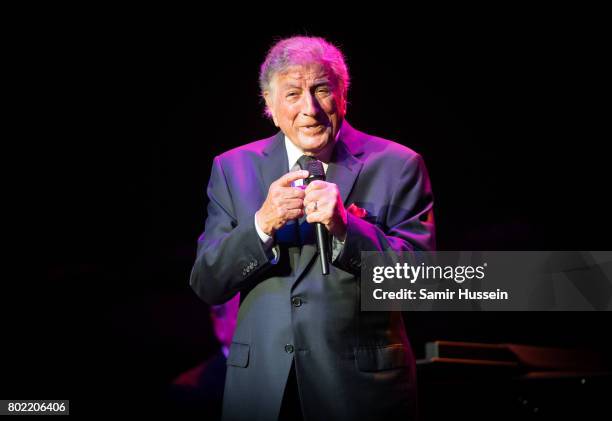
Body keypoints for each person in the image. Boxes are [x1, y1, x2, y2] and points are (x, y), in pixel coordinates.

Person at [190, 36, 435, 421]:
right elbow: (207, 282)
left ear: (343, 96)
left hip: (360, 393)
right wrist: (261, 224)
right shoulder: (232, 168)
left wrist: (346, 229)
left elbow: (422, 284)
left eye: (321, 89)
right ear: (269, 107)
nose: (310, 109)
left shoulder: (397, 164)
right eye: (292, 94)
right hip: (262, 393)